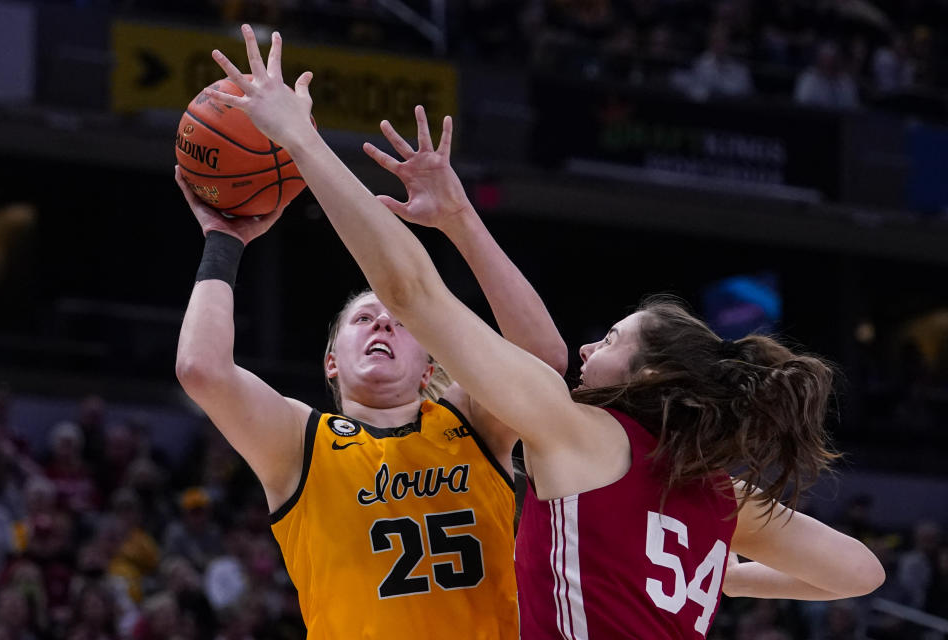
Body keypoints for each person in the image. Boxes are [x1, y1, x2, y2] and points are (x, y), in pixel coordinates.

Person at [201, 25, 887, 638]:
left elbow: (412, 292)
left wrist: (302, 139)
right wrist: (712, 577)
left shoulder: (580, 436)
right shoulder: (713, 489)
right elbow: (859, 574)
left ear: (651, 378)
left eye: (613, 339)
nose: (589, 347)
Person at [174, 29, 567, 636]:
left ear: (432, 365)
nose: (383, 320)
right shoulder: (299, 445)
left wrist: (462, 222)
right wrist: (223, 242)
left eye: (399, 321)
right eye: (363, 318)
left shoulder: (472, 425)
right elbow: (202, 370)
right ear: (332, 360)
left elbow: (542, 358)